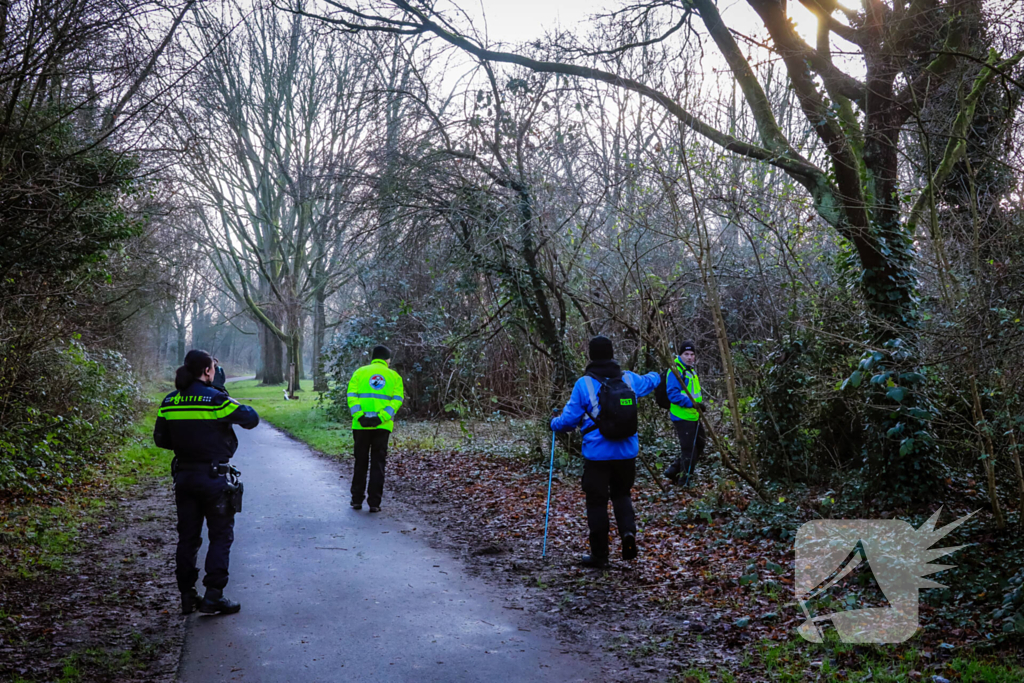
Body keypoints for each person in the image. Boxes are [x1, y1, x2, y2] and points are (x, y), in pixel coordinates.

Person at [154, 349, 259, 615]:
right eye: (213, 367)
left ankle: (187, 597)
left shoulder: (170, 401)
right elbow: (251, 418)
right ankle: (214, 596)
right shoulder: (216, 401)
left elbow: (161, 439)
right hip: (214, 478)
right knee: (220, 536)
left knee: (187, 539)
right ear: (208, 371)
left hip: (185, 477)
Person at [550, 336, 661, 567]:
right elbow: (651, 381)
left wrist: (554, 423)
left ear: (591, 355)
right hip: (627, 453)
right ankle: (628, 534)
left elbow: (569, 421)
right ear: (611, 353)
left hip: (597, 456)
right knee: (622, 495)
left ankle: (600, 555)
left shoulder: (584, 384)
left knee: (597, 503)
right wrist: (659, 374)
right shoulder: (629, 379)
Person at [347, 345, 405, 513]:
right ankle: (374, 503)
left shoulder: (359, 373)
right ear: (387, 359)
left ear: (373, 358)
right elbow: (397, 400)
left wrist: (360, 416)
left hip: (360, 426)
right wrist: (382, 417)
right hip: (382, 427)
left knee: (360, 462)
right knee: (378, 464)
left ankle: (356, 500)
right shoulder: (394, 376)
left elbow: (351, 396)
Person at [664, 340, 706, 487]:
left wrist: (699, 406)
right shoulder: (676, 371)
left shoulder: (690, 370)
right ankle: (684, 482)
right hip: (682, 416)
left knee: (700, 444)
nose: (689, 357)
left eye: (692, 354)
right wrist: (694, 404)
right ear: (680, 355)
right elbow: (673, 395)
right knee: (689, 450)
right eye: (686, 354)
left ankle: (673, 470)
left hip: (693, 415)